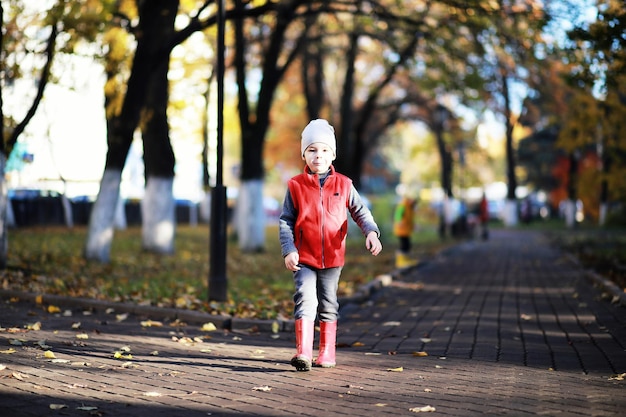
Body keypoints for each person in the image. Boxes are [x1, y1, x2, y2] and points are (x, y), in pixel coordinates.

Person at [279, 119, 383, 372]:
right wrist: (289, 249)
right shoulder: (295, 185)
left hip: (333, 257)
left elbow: (361, 212)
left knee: (328, 303)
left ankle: (326, 352)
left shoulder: (344, 185)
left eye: (325, 150)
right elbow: (285, 221)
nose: (318, 155)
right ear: (304, 153)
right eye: (313, 150)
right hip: (303, 256)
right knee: (305, 298)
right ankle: (303, 353)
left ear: (333, 154)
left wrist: (371, 232)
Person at [393, 194, 417, 268]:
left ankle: (406, 260)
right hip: (401, 230)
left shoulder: (410, 208)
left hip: (406, 230)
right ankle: (400, 261)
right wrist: (399, 222)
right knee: (403, 245)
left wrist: (413, 226)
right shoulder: (403, 206)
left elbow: (410, 219)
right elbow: (397, 216)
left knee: (407, 245)